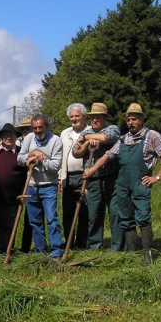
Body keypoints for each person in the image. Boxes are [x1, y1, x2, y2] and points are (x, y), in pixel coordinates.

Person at [83, 103, 161, 266]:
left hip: (140, 182)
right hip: (123, 183)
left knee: (143, 217)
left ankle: (147, 256)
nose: (131, 122)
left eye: (134, 119)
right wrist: (92, 170)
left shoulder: (151, 135)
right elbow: (109, 155)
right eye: (128, 119)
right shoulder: (124, 138)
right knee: (125, 217)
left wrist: (157, 177)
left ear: (141, 119)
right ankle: (133, 253)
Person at [73, 103, 124, 252]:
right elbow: (76, 153)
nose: (94, 120)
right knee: (94, 214)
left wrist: (86, 138)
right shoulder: (86, 132)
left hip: (112, 178)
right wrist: (88, 141)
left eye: (98, 117)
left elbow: (105, 138)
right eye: (92, 117)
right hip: (93, 179)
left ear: (104, 118)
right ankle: (95, 246)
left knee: (115, 213)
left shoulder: (112, 129)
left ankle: (118, 247)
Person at [18, 115, 63, 258]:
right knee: (35, 221)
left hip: (48, 186)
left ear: (47, 127)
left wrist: (40, 159)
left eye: (40, 127)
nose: (38, 130)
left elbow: (55, 166)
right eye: (35, 128)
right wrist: (31, 154)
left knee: (51, 218)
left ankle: (56, 251)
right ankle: (40, 251)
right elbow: (20, 158)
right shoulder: (29, 138)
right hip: (31, 185)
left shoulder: (56, 141)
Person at [0, 123, 27, 254]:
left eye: (11, 135)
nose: (8, 137)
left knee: (7, 228)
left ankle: (3, 252)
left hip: (12, 199)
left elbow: (25, 175)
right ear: (1, 137)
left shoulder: (20, 154)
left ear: (15, 137)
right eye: (5, 135)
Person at [58, 103, 89, 251]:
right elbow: (61, 155)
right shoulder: (65, 133)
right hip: (68, 176)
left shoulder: (91, 131)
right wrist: (60, 177)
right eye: (71, 116)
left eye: (77, 116)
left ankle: (82, 243)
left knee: (84, 210)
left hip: (85, 176)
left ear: (84, 116)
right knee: (68, 211)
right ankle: (69, 242)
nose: (74, 119)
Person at [15, 117, 34, 253]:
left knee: (30, 215)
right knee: (13, 214)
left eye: (28, 128)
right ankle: (7, 246)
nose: (25, 131)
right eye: (23, 129)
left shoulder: (36, 142)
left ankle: (26, 247)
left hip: (31, 180)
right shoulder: (16, 144)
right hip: (17, 181)